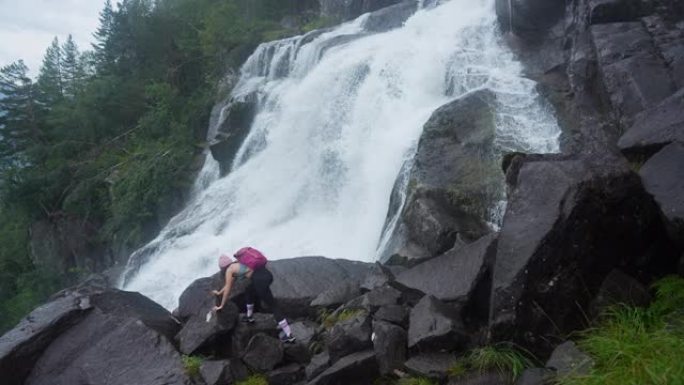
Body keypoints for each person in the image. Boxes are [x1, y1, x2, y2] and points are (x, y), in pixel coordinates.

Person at [212, 248, 295, 343]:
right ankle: (249, 316)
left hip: (260, 281)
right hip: (267, 275)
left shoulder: (230, 270)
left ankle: (289, 335)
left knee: (273, 306)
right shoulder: (240, 262)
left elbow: (228, 289)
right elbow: (228, 285)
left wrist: (221, 305)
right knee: (249, 290)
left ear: (223, 268)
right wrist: (219, 293)